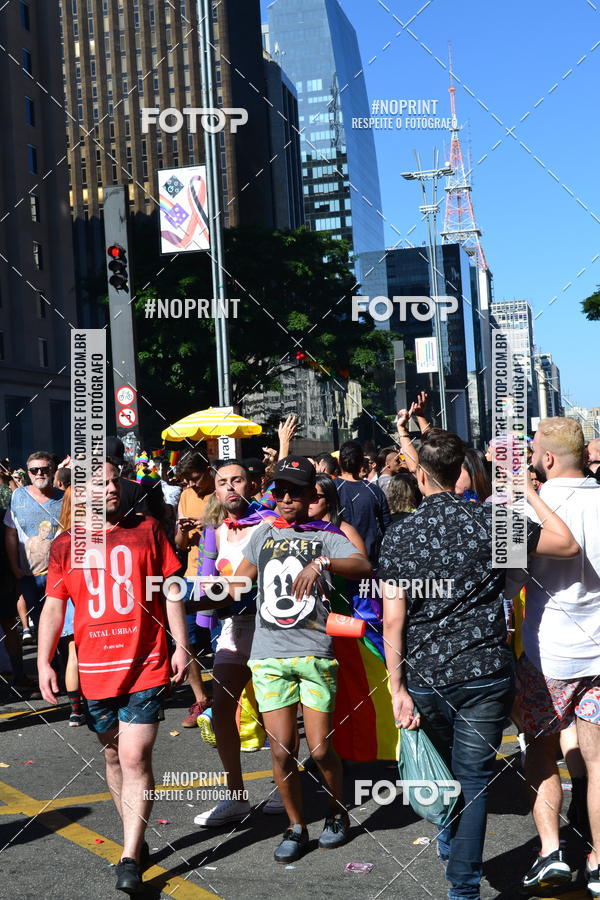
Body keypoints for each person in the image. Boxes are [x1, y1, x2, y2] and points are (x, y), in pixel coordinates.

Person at [380, 431, 579, 900]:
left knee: (448, 775)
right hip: (484, 672)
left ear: (420, 475)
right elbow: (566, 545)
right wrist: (532, 495)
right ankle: (462, 886)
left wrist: (396, 687)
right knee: (472, 780)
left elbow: (393, 619)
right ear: (460, 472)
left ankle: (453, 851)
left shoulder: (400, 533)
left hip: (427, 674)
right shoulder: (490, 522)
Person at [38, 459, 189, 896]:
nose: (110, 489)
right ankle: (133, 837)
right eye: (99, 484)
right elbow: (53, 606)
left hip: (146, 662)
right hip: (95, 670)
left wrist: (181, 644)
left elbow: (171, 589)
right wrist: (45, 661)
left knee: (135, 757)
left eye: (113, 480)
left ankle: (129, 855)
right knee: (112, 758)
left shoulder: (147, 529)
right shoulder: (65, 545)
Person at [235, 456, 372, 863]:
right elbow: (237, 582)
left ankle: (336, 811)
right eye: (279, 491)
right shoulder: (263, 533)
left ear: (312, 494)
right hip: (269, 656)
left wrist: (322, 562)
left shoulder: (326, 535)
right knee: (281, 752)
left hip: (315, 653)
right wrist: (186, 594)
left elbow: (363, 565)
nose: (285, 498)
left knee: (320, 749)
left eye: (294, 492)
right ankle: (295, 826)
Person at [514, 418, 600, 894]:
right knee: (598, 761)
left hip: (547, 655)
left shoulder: (527, 506)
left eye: (533, 450)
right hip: (597, 653)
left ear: (547, 458)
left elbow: (508, 581)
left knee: (541, 752)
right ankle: (599, 861)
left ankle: (551, 851)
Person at [194, 460, 285, 825]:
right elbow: (208, 579)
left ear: (252, 485)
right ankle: (235, 796)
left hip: (270, 629)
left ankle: (284, 785)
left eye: (237, 480)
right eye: (223, 482)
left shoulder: (269, 524)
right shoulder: (216, 530)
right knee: (221, 710)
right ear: (215, 491)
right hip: (232, 629)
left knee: (275, 712)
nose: (230, 487)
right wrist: (198, 624)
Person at [4, 451, 63, 642]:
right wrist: (15, 567)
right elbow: (11, 533)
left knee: (62, 626)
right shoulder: (18, 496)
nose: (39, 473)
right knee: (40, 623)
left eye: (44, 469)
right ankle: (51, 659)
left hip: (58, 575)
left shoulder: (65, 499)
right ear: (28, 473)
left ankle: (64, 658)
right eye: (34, 470)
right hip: (28, 576)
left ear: (52, 470)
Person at [174, 452, 213, 727]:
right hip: (191, 575)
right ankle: (201, 699)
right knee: (187, 641)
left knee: (223, 643)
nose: (191, 484)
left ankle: (231, 701)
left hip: (220, 576)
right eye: (186, 480)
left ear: (208, 470)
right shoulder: (186, 495)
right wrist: (182, 528)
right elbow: (181, 543)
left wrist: (208, 525)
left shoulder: (221, 493)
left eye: (195, 478)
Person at [334, 441, 391, 566]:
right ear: (361, 463)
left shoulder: (329, 488)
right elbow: (387, 528)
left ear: (339, 461)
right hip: (368, 562)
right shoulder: (374, 491)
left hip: (335, 562)